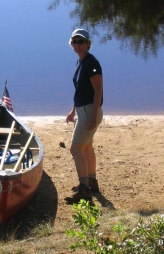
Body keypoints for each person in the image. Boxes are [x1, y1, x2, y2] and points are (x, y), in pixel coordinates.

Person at [64, 28, 103, 204]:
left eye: (81, 42)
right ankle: (92, 182)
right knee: (87, 148)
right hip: (82, 110)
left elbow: (98, 91)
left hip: (89, 111)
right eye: (75, 42)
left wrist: (93, 117)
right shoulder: (81, 62)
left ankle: (84, 190)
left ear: (88, 44)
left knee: (75, 149)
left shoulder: (92, 64)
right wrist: (73, 111)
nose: (77, 45)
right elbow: (81, 90)